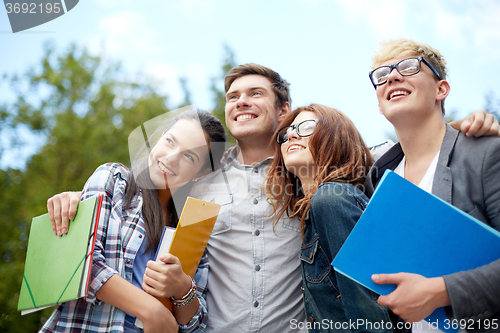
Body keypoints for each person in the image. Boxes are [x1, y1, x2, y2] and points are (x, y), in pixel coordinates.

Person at [47, 63, 499, 333]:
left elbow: (397, 150)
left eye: (255, 93)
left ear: (283, 109)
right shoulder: (198, 183)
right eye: (233, 96)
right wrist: (79, 196)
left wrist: (464, 126)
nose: (241, 102)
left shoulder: (311, 173)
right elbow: (146, 203)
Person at [41, 109, 226, 333]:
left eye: (189, 156)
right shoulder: (114, 180)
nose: (170, 158)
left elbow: (197, 326)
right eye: (169, 141)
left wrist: (182, 290)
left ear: (202, 172)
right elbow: (81, 260)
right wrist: (150, 310)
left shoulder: (194, 228)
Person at [365, 38, 500, 333]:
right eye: (382, 74)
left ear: (441, 89)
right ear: (378, 103)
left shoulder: (486, 153)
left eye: (408, 66)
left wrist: (441, 291)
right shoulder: (379, 178)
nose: (392, 76)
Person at [265, 103, 404, 332]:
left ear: (336, 137)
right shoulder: (317, 209)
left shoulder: (331, 199)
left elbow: (367, 314)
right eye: (287, 132)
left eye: (306, 126)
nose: (291, 134)